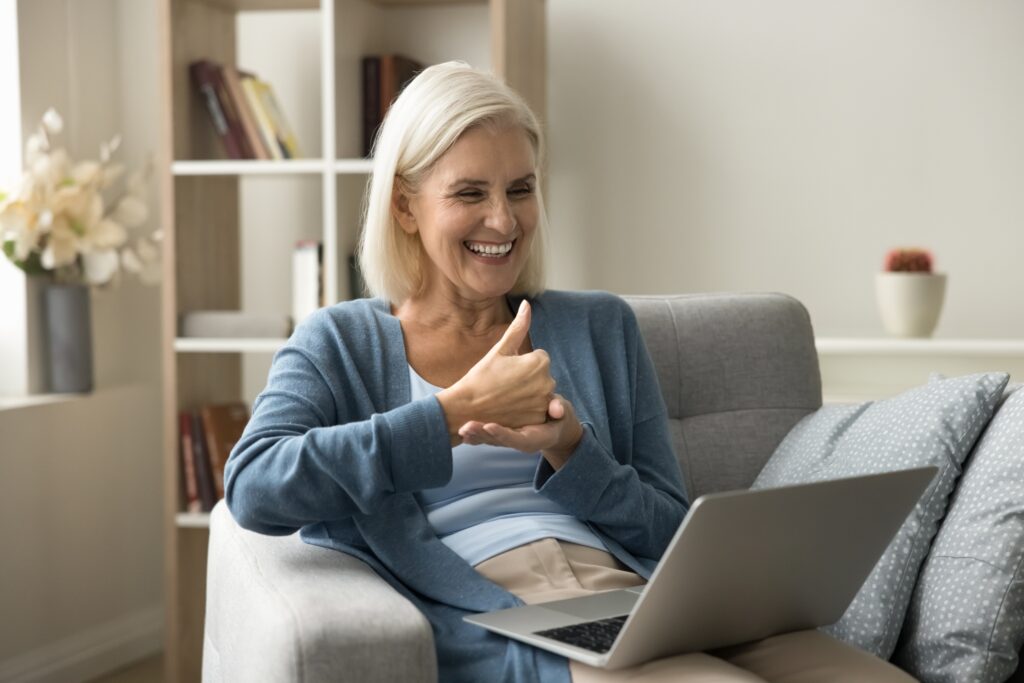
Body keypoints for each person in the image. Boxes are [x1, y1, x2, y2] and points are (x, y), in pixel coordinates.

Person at [224, 61, 916, 682]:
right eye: (470, 193)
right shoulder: (339, 342)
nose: (504, 218)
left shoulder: (598, 327)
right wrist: (451, 414)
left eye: (520, 189)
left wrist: (571, 448)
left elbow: (668, 530)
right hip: (508, 604)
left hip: (645, 594)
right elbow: (255, 485)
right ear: (405, 204)